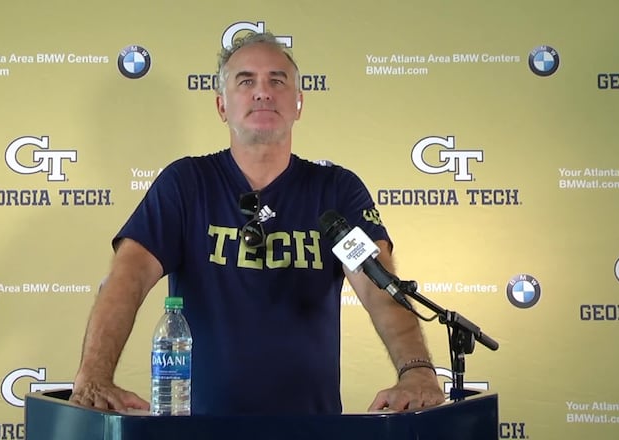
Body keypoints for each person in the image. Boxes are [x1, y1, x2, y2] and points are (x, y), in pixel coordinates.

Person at [69, 31, 445, 415]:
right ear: (221, 106)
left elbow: (380, 287)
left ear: (299, 103)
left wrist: (417, 372)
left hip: (311, 431)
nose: (263, 92)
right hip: (199, 432)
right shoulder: (185, 184)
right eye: (246, 81)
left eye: (277, 81)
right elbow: (126, 278)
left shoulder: (336, 190)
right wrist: (95, 376)